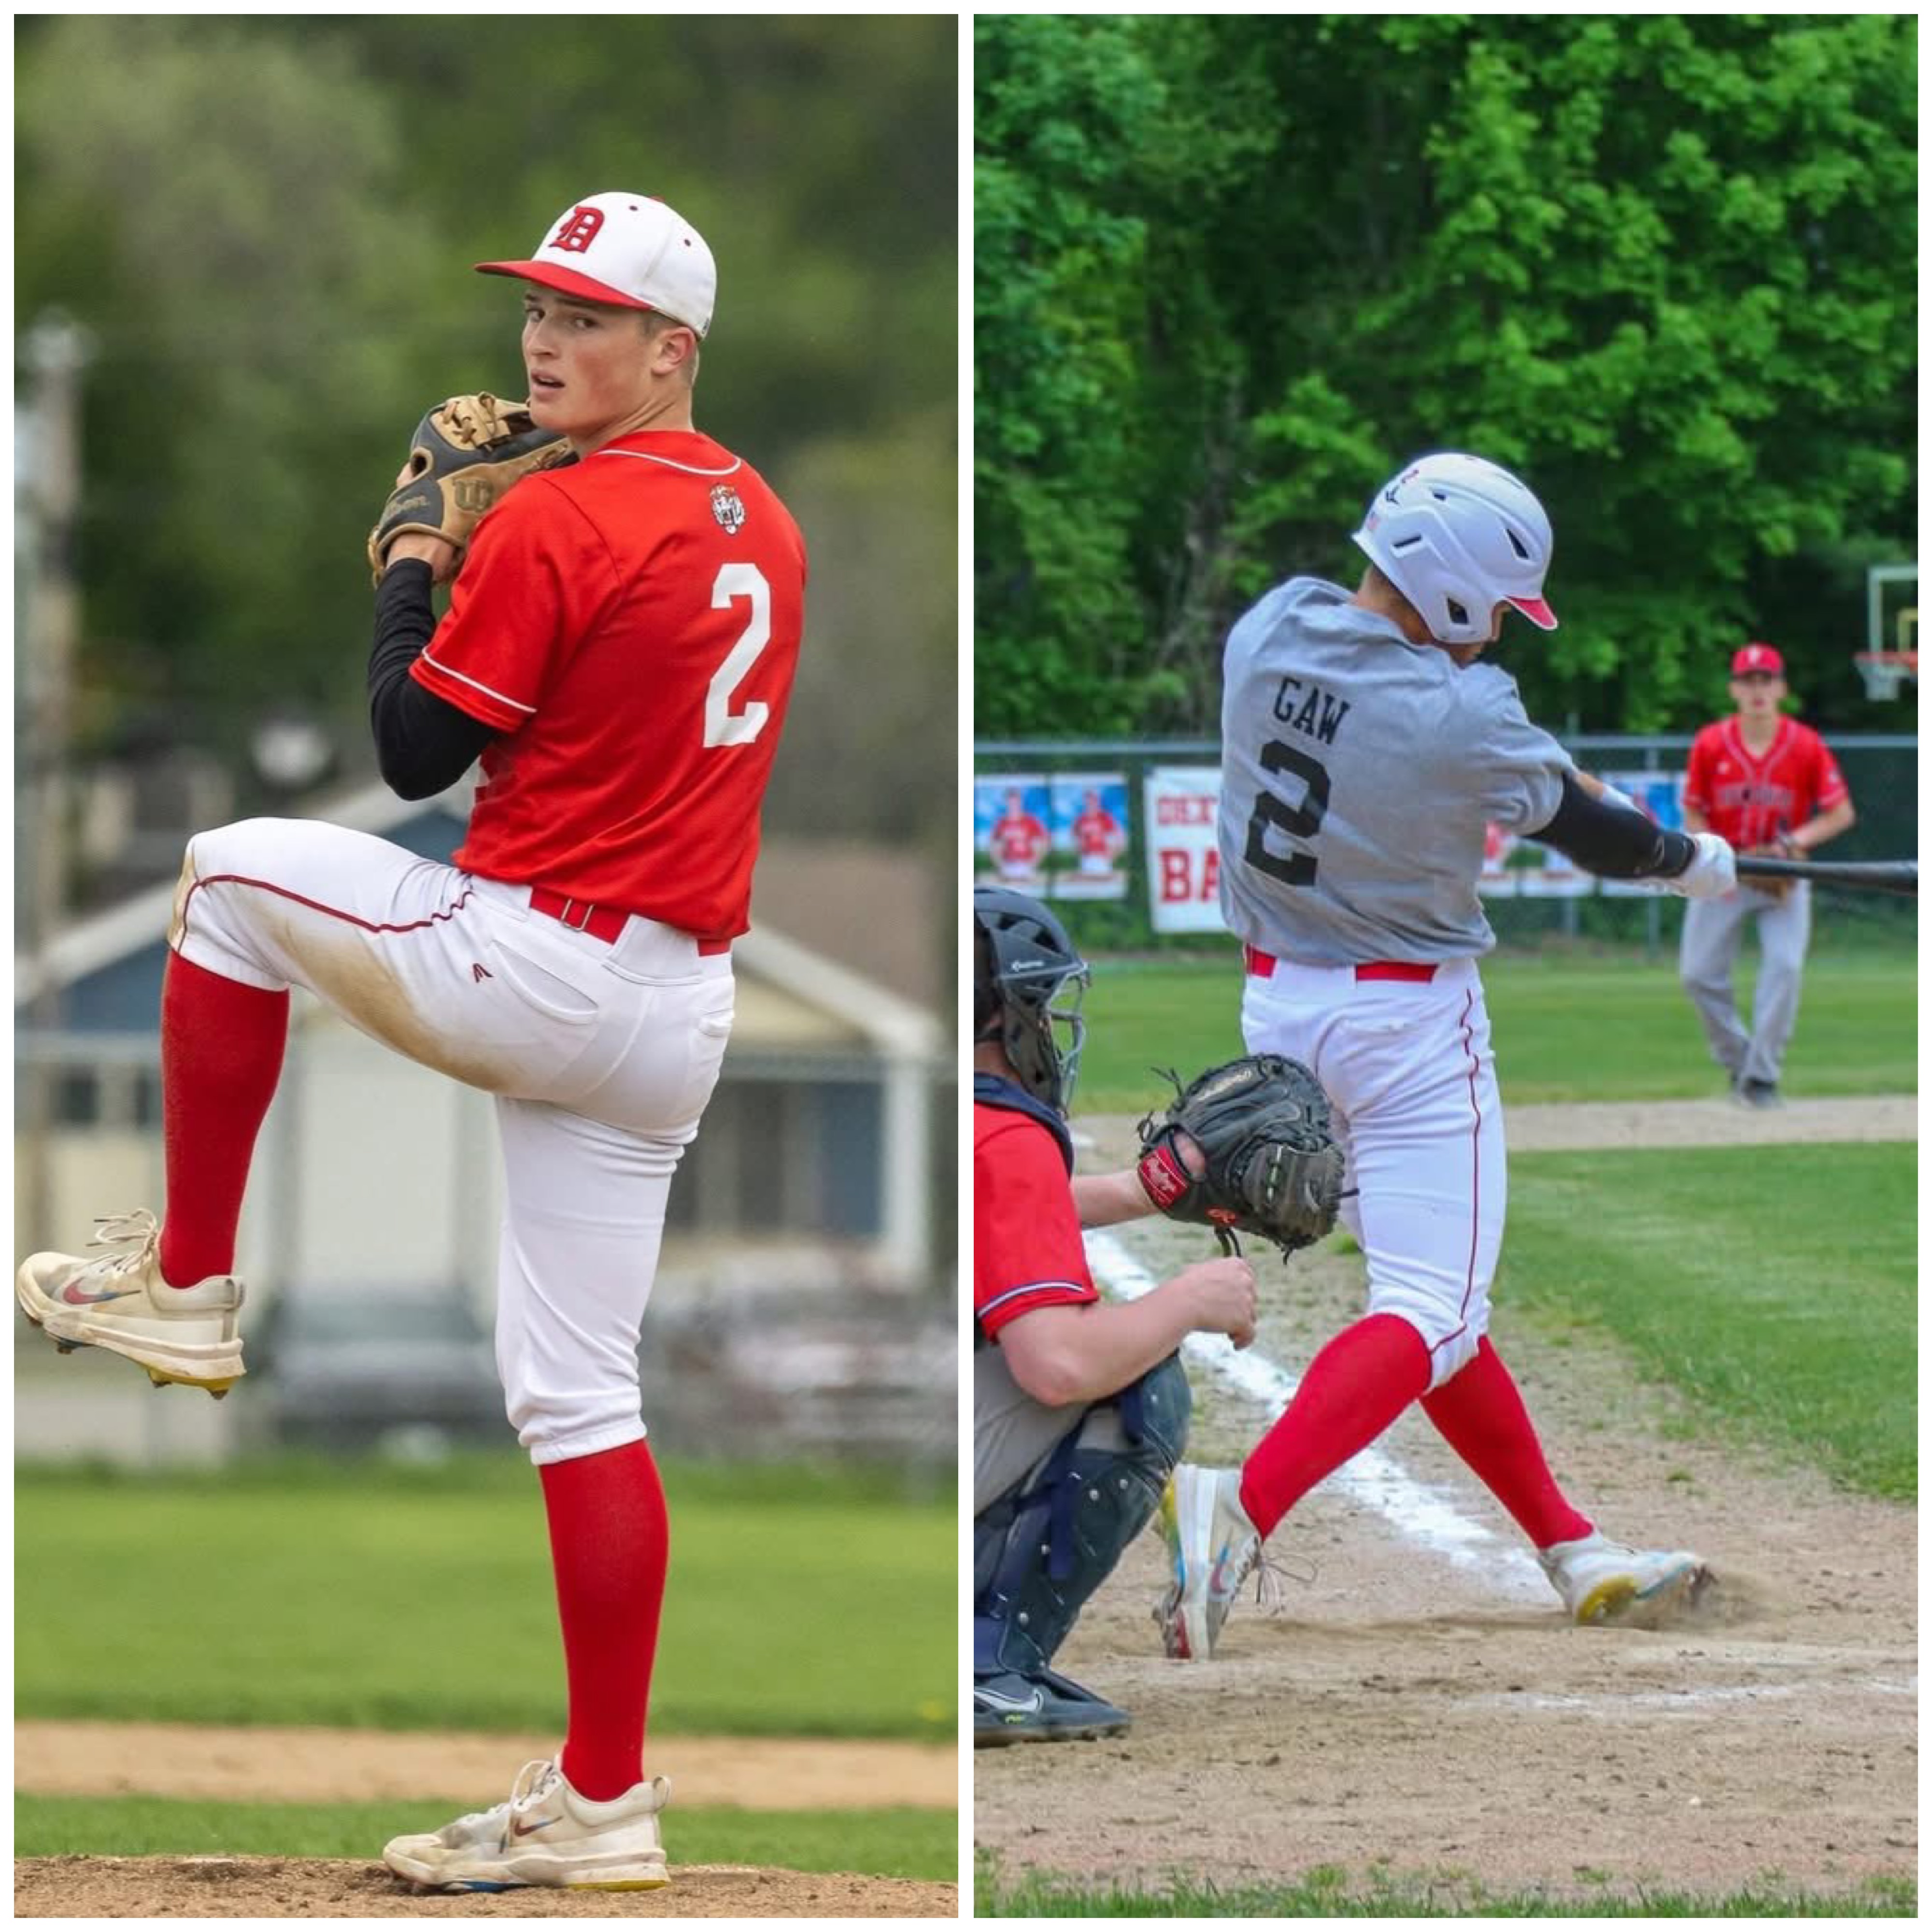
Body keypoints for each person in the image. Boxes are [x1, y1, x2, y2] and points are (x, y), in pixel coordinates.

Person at [16, 191, 807, 1891]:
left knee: (227, 876)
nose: (545, 337)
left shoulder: (561, 520)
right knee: (583, 1399)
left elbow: (404, 755)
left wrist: (413, 550)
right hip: (677, 1010)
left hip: (540, 956)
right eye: (538, 305)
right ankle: (605, 1802)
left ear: (673, 349)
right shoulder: (764, 518)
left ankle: (190, 1280)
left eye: (589, 317)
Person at [1160, 452, 1734, 1662]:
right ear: (1461, 591)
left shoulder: (1268, 628)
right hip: (1409, 1027)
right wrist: (1691, 861)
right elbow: (1590, 831)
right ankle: (1241, 1506)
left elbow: (1503, 763)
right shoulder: (1463, 712)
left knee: (1437, 1308)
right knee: (1427, 1305)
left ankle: (1568, 1545)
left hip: (1278, 1016)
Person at [973, 885, 1258, 1742]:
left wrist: (1147, 1191)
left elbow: (1017, 1202)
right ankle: (989, 1666)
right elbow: (1055, 1366)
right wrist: (1189, 1300)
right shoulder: (1008, 1135)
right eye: (1040, 1002)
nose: (1051, 1024)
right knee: (1137, 1385)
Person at [1678, 641, 1855, 1109]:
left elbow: (1839, 813)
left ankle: (1761, 1078)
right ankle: (1741, 1059)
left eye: (1766, 680)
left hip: (1784, 872)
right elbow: (1692, 811)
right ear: (1734, 689)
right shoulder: (1711, 743)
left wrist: (1795, 841)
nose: (1757, 689)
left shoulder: (1805, 745)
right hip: (1725, 873)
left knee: (1785, 966)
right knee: (1697, 974)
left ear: (1781, 688)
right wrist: (1712, 855)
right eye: (1748, 680)